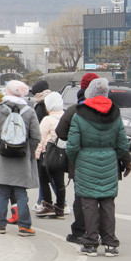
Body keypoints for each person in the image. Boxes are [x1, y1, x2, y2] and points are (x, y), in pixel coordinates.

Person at [65, 77, 131, 257]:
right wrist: (115, 157)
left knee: (89, 203)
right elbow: (123, 144)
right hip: (109, 160)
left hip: (85, 161)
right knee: (108, 202)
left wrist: (78, 160)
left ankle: (91, 243)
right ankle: (110, 243)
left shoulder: (79, 114)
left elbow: (72, 146)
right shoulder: (115, 113)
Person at [0, 80, 41, 236]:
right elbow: (36, 136)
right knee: (21, 193)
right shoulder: (29, 112)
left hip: (2, 158)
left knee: (2, 192)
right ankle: (24, 226)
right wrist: (26, 151)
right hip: (22, 159)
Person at [56, 72, 99, 244]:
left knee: (82, 197)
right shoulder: (112, 109)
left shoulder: (75, 110)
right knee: (104, 198)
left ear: (82, 88)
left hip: (80, 161)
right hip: (106, 163)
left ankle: (80, 231)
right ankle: (103, 233)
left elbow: (60, 132)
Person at [34, 91, 67, 219]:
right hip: (61, 155)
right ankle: (60, 208)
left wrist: (37, 155)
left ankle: (47, 204)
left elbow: (40, 138)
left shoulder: (47, 119)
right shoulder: (65, 117)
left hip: (47, 154)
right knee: (59, 182)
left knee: (43, 179)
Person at [28, 79, 51, 212]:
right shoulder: (53, 101)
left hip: (43, 146)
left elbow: (38, 128)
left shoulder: (40, 106)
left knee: (45, 176)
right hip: (54, 146)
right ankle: (41, 200)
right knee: (48, 176)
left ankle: (59, 202)